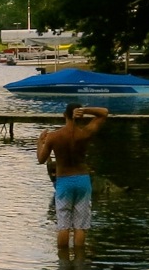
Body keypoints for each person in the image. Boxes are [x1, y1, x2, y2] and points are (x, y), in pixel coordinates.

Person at [36, 102, 109, 250]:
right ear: (79, 116)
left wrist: (39, 142)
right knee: (80, 226)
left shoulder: (54, 137)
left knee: (63, 226)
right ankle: (79, 261)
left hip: (64, 181)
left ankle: (63, 264)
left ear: (64, 115)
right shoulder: (85, 133)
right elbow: (104, 113)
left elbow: (41, 159)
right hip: (82, 180)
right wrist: (85, 110)